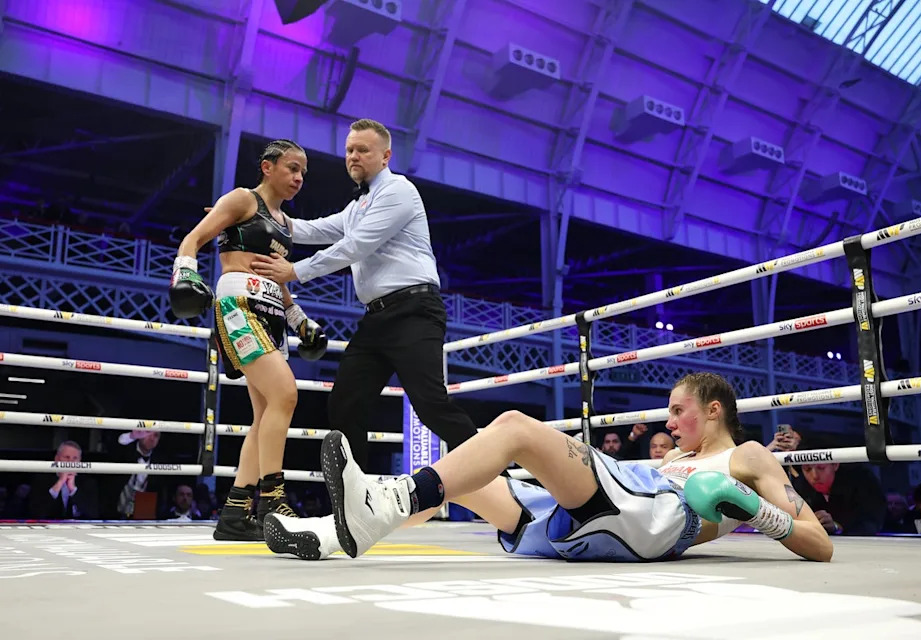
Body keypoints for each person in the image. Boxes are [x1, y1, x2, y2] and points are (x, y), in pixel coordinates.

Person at [263, 372, 833, 563]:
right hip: (618, 512)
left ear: (714, 410)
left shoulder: (747, 456)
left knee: (512, 427)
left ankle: (371, 511)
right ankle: (326, 533)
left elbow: (819, 544)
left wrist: (757, 510)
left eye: (679, 411)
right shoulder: (679, 458)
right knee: (468, 481)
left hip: (654, 519)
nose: (671, 422)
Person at [249, 118, 478, 473]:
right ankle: (358, 502)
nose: (353, 156)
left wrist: (294, 271)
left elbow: (355, 246)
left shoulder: (399, 191)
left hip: (414, 311)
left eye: (362, 150)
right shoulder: (358, 206)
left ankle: (511, 489)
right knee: (345, 404)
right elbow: (312, 229)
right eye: (349, 150)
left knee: (432, 407)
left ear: (385, 156)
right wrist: (249, 213)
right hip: (377, 318)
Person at [169, 139, 328, 541]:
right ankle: (273, 500)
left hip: (273, 313)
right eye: (292, 168)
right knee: (286, 395)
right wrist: (185, 272)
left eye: (303, 172)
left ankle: (236, 514)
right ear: (267, 167)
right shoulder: (242, 199)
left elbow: (279, 278)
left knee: (264, 416)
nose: (298, 178)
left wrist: (300, 321)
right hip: (239, 305)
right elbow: (193, 239)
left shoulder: (286, 225)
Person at [789, 437, 886, 536]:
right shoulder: (799, 486)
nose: (815, 476)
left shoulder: (862, 481)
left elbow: (872, 523)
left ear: (835, 465)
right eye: (807, 469)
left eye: (821, 468)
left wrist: (837, 527)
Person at [27, 441, 100, 520]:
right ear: (57, 459)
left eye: (75, 458)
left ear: (80, 461)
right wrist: (59, 483)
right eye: (67, 457)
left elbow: (93, 514)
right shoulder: (41, 480)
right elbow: (36, 514)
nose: (71, 462)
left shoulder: (88, 482)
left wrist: (73, 490)